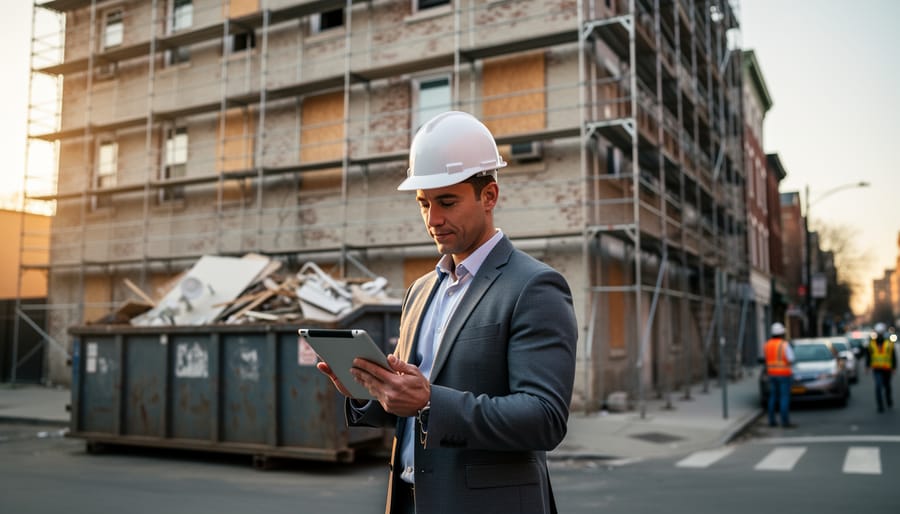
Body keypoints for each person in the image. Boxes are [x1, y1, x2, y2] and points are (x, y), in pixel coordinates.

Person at [317, 110, 578, 514]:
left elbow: (544, 418)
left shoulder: (535, 286)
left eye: (447, 202)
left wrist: (428, 402)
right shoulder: (419, 292)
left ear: (489, 196)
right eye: (423, 204)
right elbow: (409, 410)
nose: (433, 219)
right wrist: (370, 391)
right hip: (409, 502)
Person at [764, 322, 795, 428]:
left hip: (771, 375)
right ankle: (784, 421)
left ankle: (772, 421)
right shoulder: (784, 345)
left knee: (772, 397)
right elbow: (791, 359)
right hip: (784, 375)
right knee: (784, 398)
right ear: (782, 333)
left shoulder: (767, 344)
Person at [866, 322, 896, 413]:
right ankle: (880, 406)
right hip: (877, 369)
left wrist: (894, 367)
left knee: (887, 386)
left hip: (887, 369)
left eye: (881, 333)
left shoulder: (889, 342)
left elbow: (893, 355)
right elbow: (869, 355)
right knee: (878, 386)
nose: (879, 335)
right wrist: (867, 366)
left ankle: (889, 400)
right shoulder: (871, 343)